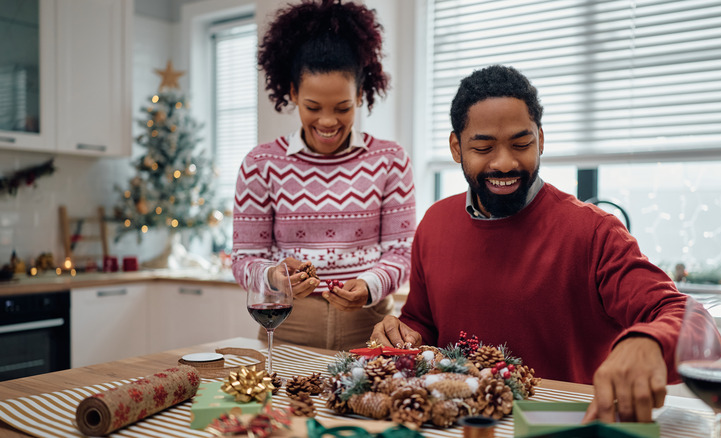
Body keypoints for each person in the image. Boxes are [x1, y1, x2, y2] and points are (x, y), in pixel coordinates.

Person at [371, 65, 688, 423]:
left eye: (521, 144)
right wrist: (401, 331)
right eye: (483, 147)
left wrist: (649, 342)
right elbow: (421, 322)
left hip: (561, 427)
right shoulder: (434, 223)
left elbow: (687, 319)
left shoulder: (594, 232)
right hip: (456, 425)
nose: (505, 162)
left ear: (540, 139)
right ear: (457, 147)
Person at [232, 0, 415, 351]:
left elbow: (401, 254)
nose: (328, 121)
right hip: (285, 334)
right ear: (293, 93)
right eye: (313, 107)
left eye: (342, 107)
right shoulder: (260, 163)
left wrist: (369, 285)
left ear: (361, 95)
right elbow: (244, 259)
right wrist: (275, 277)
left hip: (371, 331)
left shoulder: (390, 160)